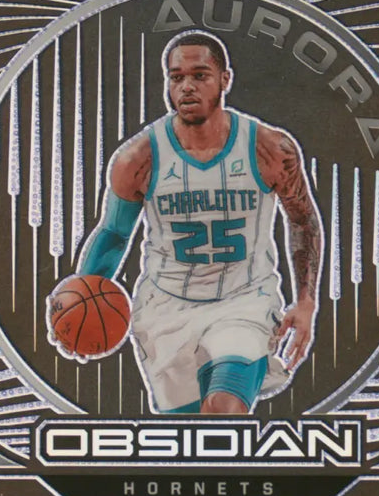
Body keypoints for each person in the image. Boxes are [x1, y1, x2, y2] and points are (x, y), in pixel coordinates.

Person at [61, 30, 323, 415]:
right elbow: (115, 233)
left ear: (225, 79)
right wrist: (80, 297)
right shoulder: (137, 158)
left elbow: (302, 219)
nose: (186, 86)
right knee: (188, 433)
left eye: (200, 75)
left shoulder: (269, 148)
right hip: (166, 308)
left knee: (223, 410)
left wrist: (305, 301)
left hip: (244, 300)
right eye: (177, 77)